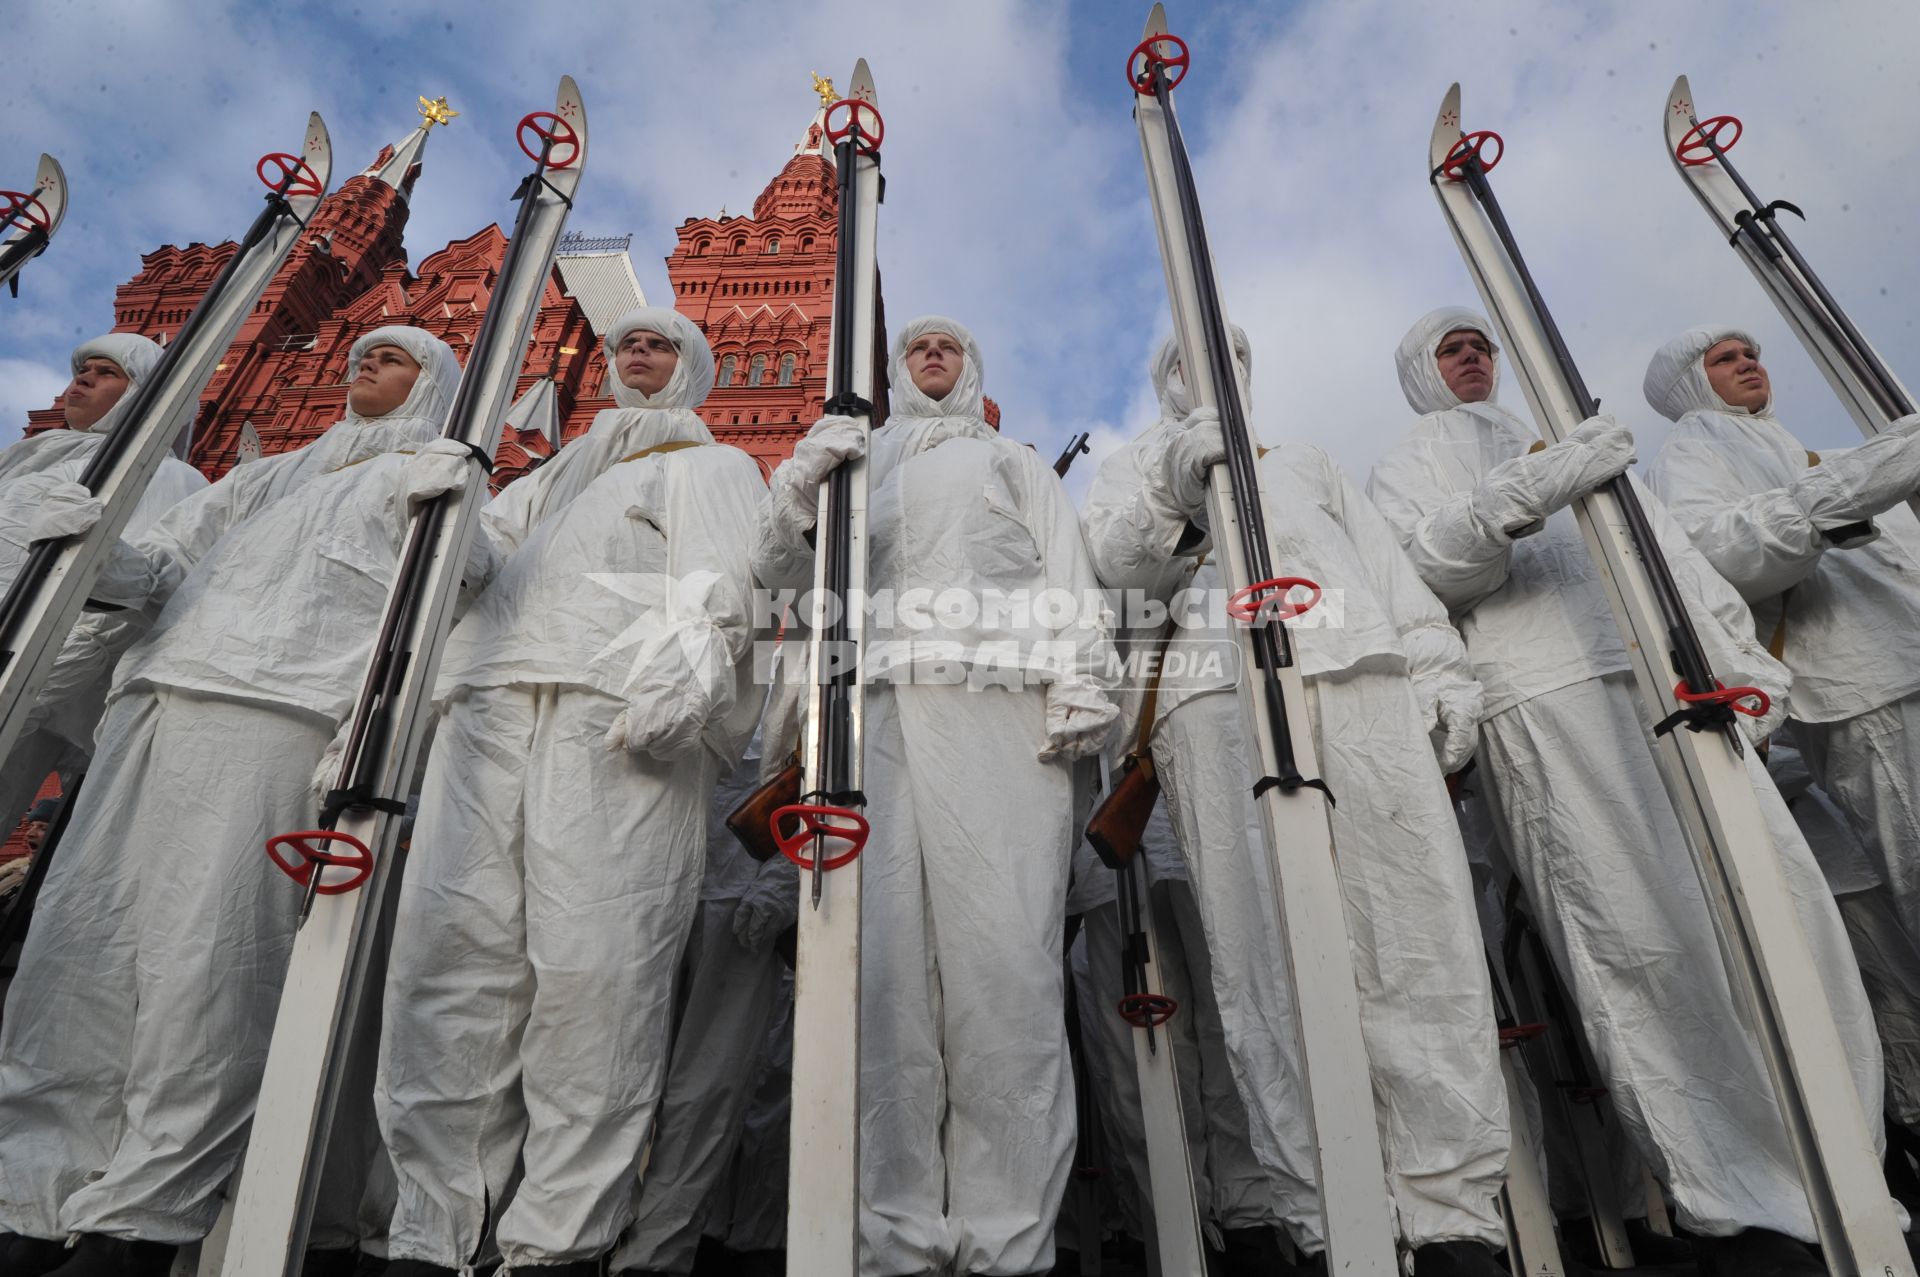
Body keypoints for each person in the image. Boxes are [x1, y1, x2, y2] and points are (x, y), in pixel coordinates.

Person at [1367, 307, 1888, 1276]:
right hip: (1543, 698)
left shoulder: (1570, 430)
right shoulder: (1410, 458)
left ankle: (1846, 1167)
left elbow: (1670, 557)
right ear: (1421, 372)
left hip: (1661, 678)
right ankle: (1736, 1200)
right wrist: (1533, 484)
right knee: (1638, 945)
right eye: (1453, 347)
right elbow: (1429, 566)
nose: (1474, 356)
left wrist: (1738, 657)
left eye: (1481, 342)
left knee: (1779, 918)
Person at [0, 325, 465, 1277]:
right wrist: (93, 548)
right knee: (81, 948)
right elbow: (163, 563)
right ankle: (33, 1195)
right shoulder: (269, 472)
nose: (359, 363)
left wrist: (457, 514)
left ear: (434, 382)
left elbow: (471, 585)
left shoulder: (435, 470)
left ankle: (143, 1216)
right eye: (359, 352)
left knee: (206, 965)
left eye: (391, 357)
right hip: (158, 693)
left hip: (280, 707)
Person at [1080, 329, 1509, 1276]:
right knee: (1265, 961)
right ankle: (1328, 1215)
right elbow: (1116, 573)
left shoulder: (1307, 461)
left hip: (1356, 673)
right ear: (1164, 382)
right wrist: (1172, 493)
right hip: (1211, 701)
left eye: (1223, 356)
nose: (1210, 373)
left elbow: (1386, 568)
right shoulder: (1130, 470)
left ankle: (1451, 1218)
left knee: (1413, 933)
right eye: (1189, 359)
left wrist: (1438, 667)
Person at [376, 309, 768, 1277]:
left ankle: (558, 1239)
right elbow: (471, 577)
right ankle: (431, 1233)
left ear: (694, 368)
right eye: (622, 345)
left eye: (658, 346)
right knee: (453, 962)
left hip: (616, 711)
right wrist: (441, 508)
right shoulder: (547, 473)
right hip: (489, 702)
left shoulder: (710, 464)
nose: (633, 354)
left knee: (600, 970)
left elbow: (726, 571)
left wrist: (691, 669)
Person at [753, 316, 1119, 1277]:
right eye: (916, 347)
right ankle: (891, 1238)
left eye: (948, 346)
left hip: (997, 703)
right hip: (869, 714)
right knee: (878, 979)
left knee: (1005, 971)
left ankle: (1008, 1244)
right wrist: (802, 482)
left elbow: (1067, 570)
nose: (931, 356)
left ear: (974, 368)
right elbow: (784, 577)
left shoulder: (1010, 462)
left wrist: (1084, 675)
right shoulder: (854, 459)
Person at [1644, 326, 1920, 952]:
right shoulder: (1690, 453)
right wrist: (1831, 501)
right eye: (1725, 359)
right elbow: (1718, 552)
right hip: (1860, 688)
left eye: (1752, 355)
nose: (1748, 365)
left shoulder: (1796, 449)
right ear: (1690, 381)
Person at [0, 334, 206, 837]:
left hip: (23, 678)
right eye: (83, 368)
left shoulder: (162, 476)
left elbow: (120, 609)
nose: (84, 378)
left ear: (147, 393)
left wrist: (26, 691)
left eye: (108, 372)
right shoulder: (36, 457)